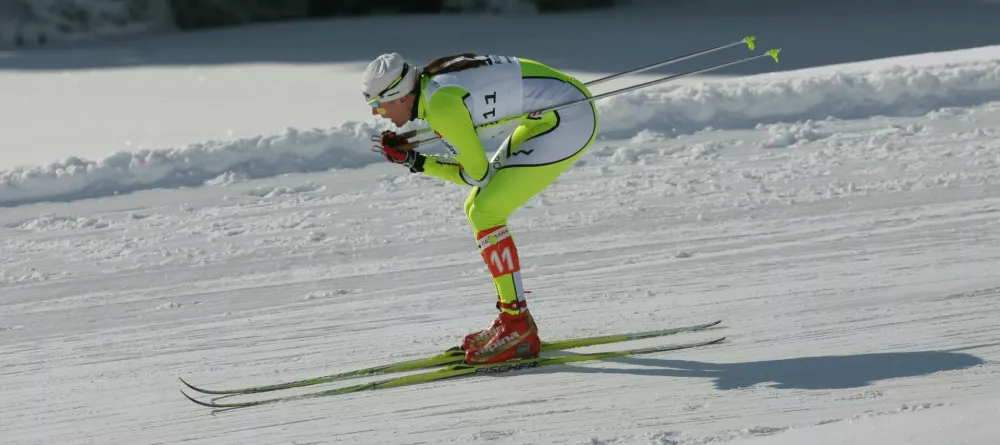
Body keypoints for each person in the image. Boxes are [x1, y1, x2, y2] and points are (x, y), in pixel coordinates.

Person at [361, 52, 599, 365]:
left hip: (568, 120)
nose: (378, 113)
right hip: (554, 110)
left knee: (486, 210)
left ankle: (518, 326)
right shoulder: (433, 87)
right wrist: (414, 154)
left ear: (401, 96)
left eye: (379, 104)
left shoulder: (441, 104)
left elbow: (475, 173)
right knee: (477, 206)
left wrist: (416, 162)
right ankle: (512, 316)